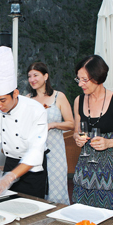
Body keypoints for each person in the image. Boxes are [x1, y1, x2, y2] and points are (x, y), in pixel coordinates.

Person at [71, 55, 113, 217]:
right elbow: (76, 131)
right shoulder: (79, 101)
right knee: (84, 218)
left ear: (98, 77)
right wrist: (77, 138)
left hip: (111, 172)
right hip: (86, 169)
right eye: (78, 79)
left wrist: (110, 143)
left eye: (85, 80)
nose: (80, 84)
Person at [0, 46, 49, 199]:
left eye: (2, 100)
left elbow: (36, 151)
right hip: (10, 163)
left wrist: (10, 178)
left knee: (32, 213)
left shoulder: (36, 110)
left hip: (32, 170)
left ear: (15, 93)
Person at [27, 62, 74, 204]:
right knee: (35, 191)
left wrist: (52, 125)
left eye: (36, 75)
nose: (32, 79)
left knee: (56, 190)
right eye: (29, 76)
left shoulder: (58, 97)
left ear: (45, 76)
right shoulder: (27, 99)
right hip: (35, 151)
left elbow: (71, 124)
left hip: (56, 151)